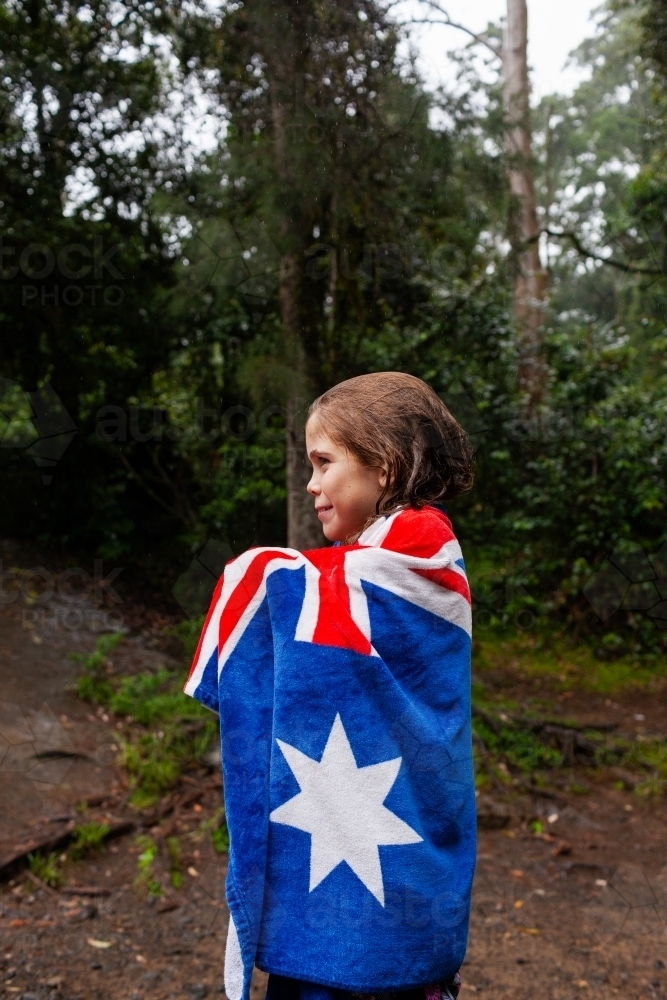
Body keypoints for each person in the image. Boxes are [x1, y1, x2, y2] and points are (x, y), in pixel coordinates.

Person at [185, 372, 476, 1000]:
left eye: (324, 462)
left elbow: (300, 583)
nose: (312, 484)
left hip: (398, 848)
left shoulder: (419, 543)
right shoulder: (368, 554)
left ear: (387, 466)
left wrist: (252, 572)